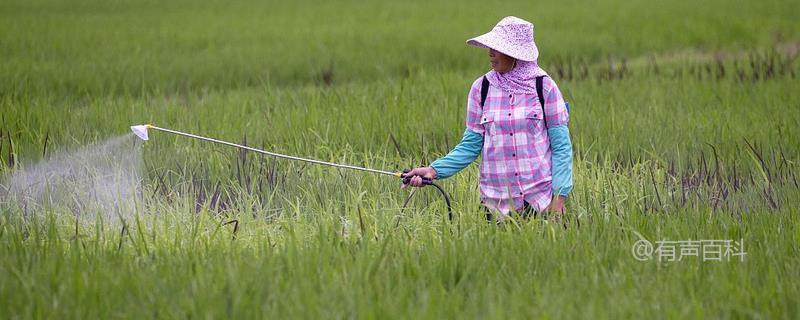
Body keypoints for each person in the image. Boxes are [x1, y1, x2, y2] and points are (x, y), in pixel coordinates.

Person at [402, 16, 573, 221]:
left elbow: (561, 147)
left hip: (539, 202)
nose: (491, 53)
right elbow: (470, 146)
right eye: (490, 47)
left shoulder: (544, 87)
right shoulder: (481, 88)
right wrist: (433, 170)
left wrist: (559, 200)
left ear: (516, 53)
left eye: (498, 47)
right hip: (494, 206)